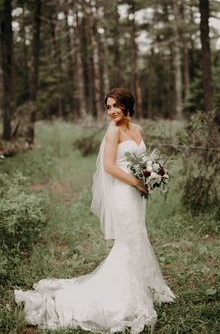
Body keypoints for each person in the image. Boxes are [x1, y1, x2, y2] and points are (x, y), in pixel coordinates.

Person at [14, 88, 175, 334]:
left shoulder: (137, 130)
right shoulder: (112, 132)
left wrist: (151, 175)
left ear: (127, 106)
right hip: (123, 193)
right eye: (108, 107)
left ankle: (143, 288)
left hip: (138, 195)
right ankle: (125, 297)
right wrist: (136, 182)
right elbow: (110, 167)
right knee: (128, 241)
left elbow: (142, 161)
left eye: (115, 106)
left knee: (138, 236)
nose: (111, 111)